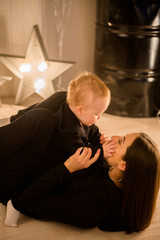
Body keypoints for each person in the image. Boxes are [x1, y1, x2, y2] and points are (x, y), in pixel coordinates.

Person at [4, 130, 160, 234]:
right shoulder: (117, 174)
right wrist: (96, 144)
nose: (114, 138)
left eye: (120, 142)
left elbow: (26, 199)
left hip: (17, 180)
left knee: (41, 118)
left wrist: (67, 168)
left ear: (123, 165)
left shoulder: (93, 206)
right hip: (45, 163)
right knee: (61, 101)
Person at [9, 71, 114, 170]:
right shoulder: (68, 129)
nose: (99, 117)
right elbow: (80, 154)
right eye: (97, 114)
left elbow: (92, 130)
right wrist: (101, 152)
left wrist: (99, 139)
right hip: (49, 161)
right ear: (80, 109)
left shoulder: (81, 116)